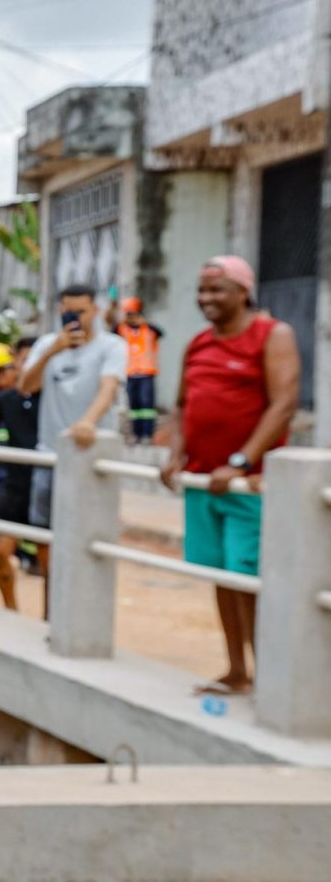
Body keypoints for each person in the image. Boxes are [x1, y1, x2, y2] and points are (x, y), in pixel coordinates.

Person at [160, 255, 299, 697]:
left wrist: (240, 462)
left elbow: (284, 404)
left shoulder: (271, 334)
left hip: (247, 484)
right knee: (221, 574)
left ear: (243, 291)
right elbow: (181, 405)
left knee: (248, 576)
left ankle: (271, 679)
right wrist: (175, 454)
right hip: (203, 482)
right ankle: (238, 671)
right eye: (202, 290)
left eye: (217, 289)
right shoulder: (198, 343)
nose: (206, 298)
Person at [20, 284, 127, 540]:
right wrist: (52, 351)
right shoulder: (47, 344)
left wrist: (87, 423)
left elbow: (109, 388)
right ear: (60, 311)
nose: (77, 318)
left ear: (95, 311)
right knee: (44, 532)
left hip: (93, 453)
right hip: (50, 453)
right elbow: (25, 387)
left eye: (82, 312)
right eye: (70, 312)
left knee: (92, 532)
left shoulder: (112, 346)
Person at [0, 339, 41, 610]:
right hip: (14, 485)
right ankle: (10, 609)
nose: (26, 366)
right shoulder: (5, 399)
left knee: (50, 560)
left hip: (46, 486)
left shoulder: (54, 399)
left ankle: (50, 621)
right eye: (21, 360)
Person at [117, 297, 164, 444]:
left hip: (146, 372)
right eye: (128, 315)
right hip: (130, 373)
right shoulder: (123, 329)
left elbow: (161, 332)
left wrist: (144, 322)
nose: (131, 318)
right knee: (134, 406)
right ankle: (137, 434)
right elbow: (112, 330)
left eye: (134, 314)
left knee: (147, 405)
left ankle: (147, 434)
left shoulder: (148, 329)